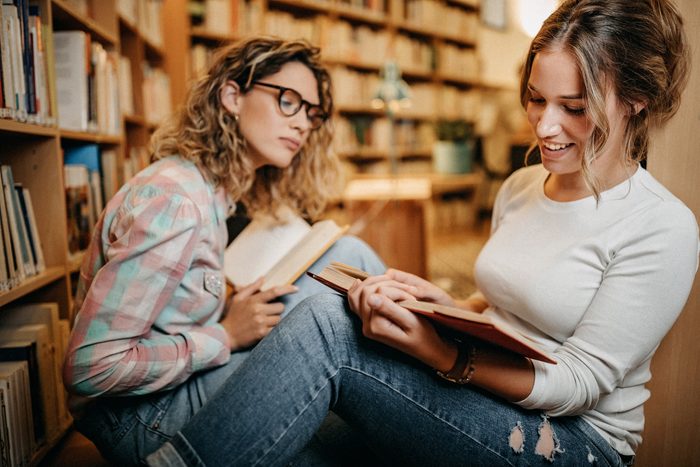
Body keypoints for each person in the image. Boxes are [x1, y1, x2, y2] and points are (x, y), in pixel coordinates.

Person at [146, 1, 699, 466]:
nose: (544, 126)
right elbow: (510, 305)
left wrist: (441, 352)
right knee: (333, 300)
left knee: (329, 333)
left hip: (570, 442)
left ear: (635, 100)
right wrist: (446, 304)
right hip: (481, 386)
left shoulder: (662, 226)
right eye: (535, 98)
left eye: (573, 108)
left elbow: (577, 385)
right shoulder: (526, 185)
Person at [62, 37, 385, 465]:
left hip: (175, 387)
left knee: (348, 256)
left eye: (312, 112)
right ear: (232, 96)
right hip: (141, 418)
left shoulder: (213, 192)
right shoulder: (174, 200)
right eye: (288, 101)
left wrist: (228, 310)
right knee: (356, 425)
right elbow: (90, 368)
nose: (304, 123)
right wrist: (226, 335)